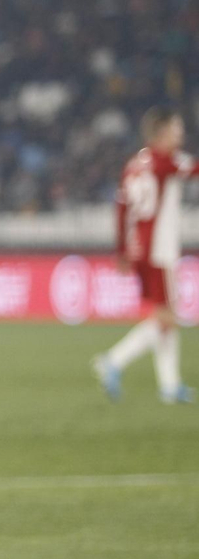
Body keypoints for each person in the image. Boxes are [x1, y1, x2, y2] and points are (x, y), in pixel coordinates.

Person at [93, 106, 195, 404]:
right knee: (167, 318)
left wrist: (122, 250)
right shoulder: (166, 162)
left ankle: (170, 385)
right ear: (161, 133)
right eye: (177, 129)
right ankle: (113, 360)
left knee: (165, 316)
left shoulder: (134, 164)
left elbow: (121, 207)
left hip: (140, 248)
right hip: (159, 249)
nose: (181, 134)